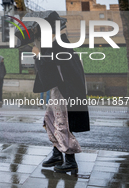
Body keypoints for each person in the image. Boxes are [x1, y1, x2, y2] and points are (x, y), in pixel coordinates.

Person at [32, 11, 90, 174]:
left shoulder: (57, 44)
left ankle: (70, 159)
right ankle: (57, 153)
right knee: (49, 119)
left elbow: (49, 71)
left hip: (64, 91)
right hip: (60, 89)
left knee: (61, 123)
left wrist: (37, 56)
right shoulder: (57, 43)